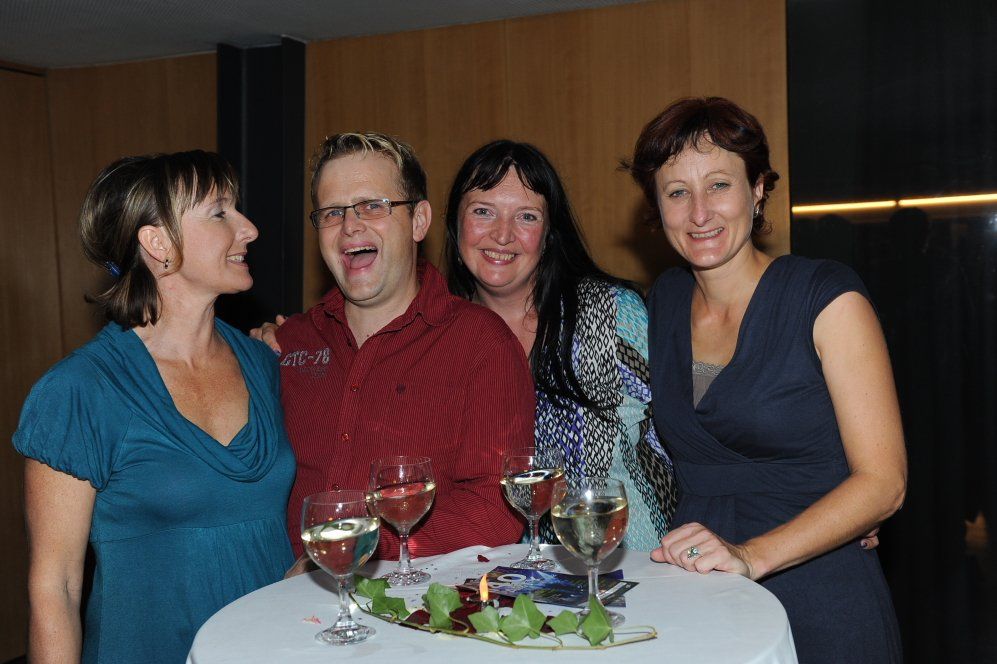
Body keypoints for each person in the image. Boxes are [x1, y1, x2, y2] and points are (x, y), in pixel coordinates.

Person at [627, 97, 906, 662]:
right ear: (657, 207)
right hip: (697, 589)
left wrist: (752, 555)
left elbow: (884, 483)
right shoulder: (662, 302)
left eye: (719, 185)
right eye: (677, 192)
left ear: (757, 190)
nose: (699, 212)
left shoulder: (825, 298)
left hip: (817, 582)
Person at [14, 151, 296, 664]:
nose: (249, 229)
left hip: (272, 649)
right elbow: (57, 586)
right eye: (220, 213)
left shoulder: (263, 362)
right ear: (158, 243)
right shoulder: (79, 392)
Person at [267, 132, 533, 562]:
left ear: (419, 221)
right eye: (333, 212)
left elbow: (495, 509)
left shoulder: (482, 344)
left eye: (373, 206)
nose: (351, 225)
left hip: (415, 597)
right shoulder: (287, 344)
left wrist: (365, 551)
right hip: (281, 595)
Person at [442, 140, 677, 550]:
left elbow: (678, 439)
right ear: (455, 224)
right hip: (494, 573)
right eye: (483, 211)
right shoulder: (438, 339)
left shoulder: (609, 313)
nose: (502, 234)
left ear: (549, 235)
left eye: (526, 216)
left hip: (628, 561)